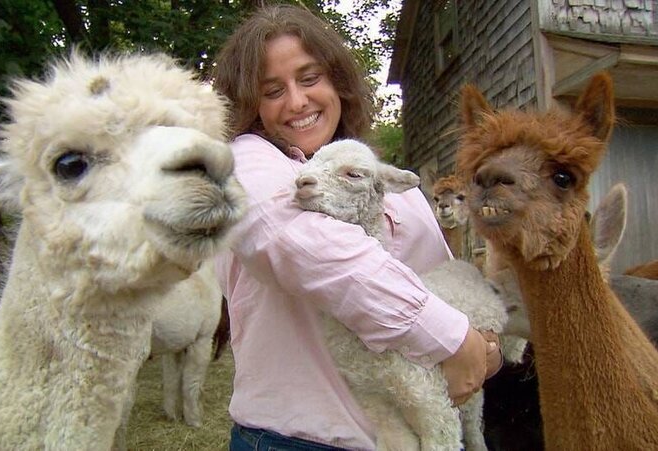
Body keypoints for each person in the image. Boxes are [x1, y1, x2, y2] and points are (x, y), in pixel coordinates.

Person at [212, 4, 501, 450]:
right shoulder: (249, 165)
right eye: (272, 90)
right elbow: (304, 248)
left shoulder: (397, 188)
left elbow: (447, 286)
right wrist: (454, 340)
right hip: (297, 440)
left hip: (410, 434)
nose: (297, 101)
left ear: (338, 82)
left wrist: (485, 349)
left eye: (310, 78)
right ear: (250, 104)